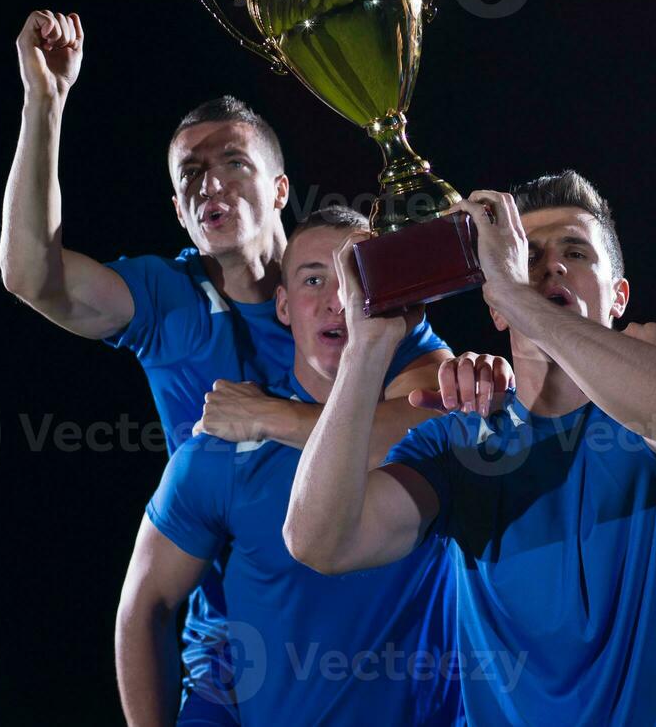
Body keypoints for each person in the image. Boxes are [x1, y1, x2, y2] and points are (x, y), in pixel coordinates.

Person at [0, 11, 454, 721]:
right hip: (233, 641)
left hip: (370, 627)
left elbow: (439, 436)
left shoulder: (369, 305)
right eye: (191, 174)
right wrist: (45, 103)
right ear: (180, 211)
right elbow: (31, 276)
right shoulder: (169, 300)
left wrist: (272, 419)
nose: (210, 183)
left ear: (279, 188)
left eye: (233, 162)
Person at [282, 171, 656, 725]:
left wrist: (517, 292)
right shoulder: (458, 439)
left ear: (619, 296)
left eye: (576, 252)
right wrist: (365, 350)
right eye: (527, 255)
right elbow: (320, 541)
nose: (551, 267)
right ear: (492, 308)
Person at [116, 206, 512, 725]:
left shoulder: (440, 412)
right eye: (313, 280)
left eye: (356, 278)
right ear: (282, 306)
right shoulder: (218, 454)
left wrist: (274, 417)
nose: (337, 301)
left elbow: (424, 427)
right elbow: (142, 610)